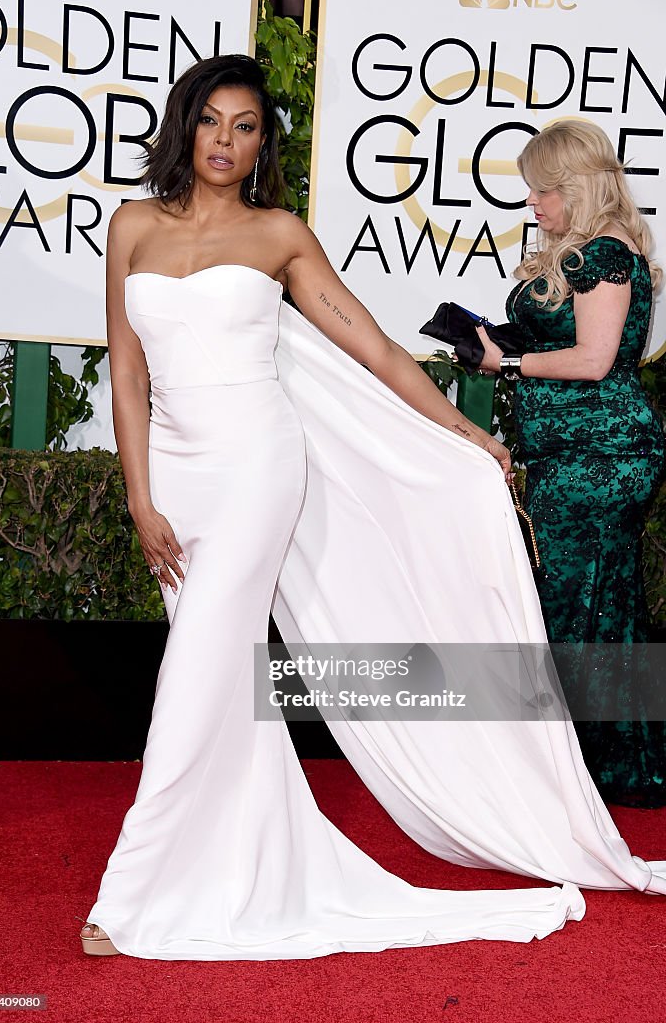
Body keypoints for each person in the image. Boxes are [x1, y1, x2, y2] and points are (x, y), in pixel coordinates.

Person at [79, 58, 664, 961]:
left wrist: (467, 437)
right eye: (212, 123)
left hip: (257, 471)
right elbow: (126, 367)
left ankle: (129, 893)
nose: (228, 142)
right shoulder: (130, 227)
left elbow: (379, 352)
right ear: (184, 127)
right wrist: (138, 492)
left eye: (245, 127)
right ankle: (246, 870)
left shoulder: (279, 234)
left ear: (262, 142)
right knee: (227, 679)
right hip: (176, 477)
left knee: (193, 670)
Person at [477, 120, 666, 809]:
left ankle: (582, 769)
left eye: (545, 190)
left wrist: (510, 360)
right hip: (580, 454)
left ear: (578, 187)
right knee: (598, 605)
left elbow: (594, 359)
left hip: (603, 456)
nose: (534, 203)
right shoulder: (586, 252)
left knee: (576, 606)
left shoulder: (606, 254)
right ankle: (612, 765)